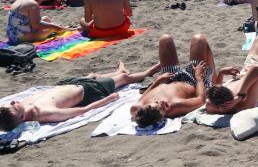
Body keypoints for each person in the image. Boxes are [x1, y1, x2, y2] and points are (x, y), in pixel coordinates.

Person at [0, 61, 160, 131]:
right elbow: (82, 111)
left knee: (94, 75)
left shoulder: (23, 106)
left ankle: (119, 71)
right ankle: (147, 72)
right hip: (89, 92)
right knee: (124, 79)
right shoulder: (44, 112)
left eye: (10, 103)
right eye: (13, 105)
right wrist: (108, 99)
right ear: (21, 118)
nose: (13, 101)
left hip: (69, 83)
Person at [129, 34, 217, 128]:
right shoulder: (175, 106)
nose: (162, 103)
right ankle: (212, 75)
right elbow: (200, 99)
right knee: (199, 39)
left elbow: (144, 96)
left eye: (157, 103)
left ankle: (212, 72)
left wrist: (158, 81)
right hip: (192, 80)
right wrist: (198, 76)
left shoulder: (136, 108)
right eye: (163, 108)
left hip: (168, 78)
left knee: (165, 39)